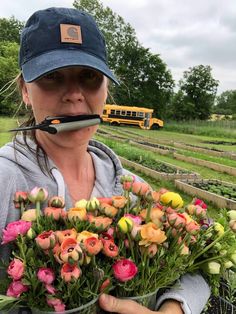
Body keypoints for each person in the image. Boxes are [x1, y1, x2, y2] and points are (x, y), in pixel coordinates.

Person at [0, 7, 210, 314]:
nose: (74, 94)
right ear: (25, 92)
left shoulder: (132, 190)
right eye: (52, 77)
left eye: (89, 76)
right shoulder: (5, 179)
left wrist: (175, 308)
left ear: (105, 88)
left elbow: (199, 266)